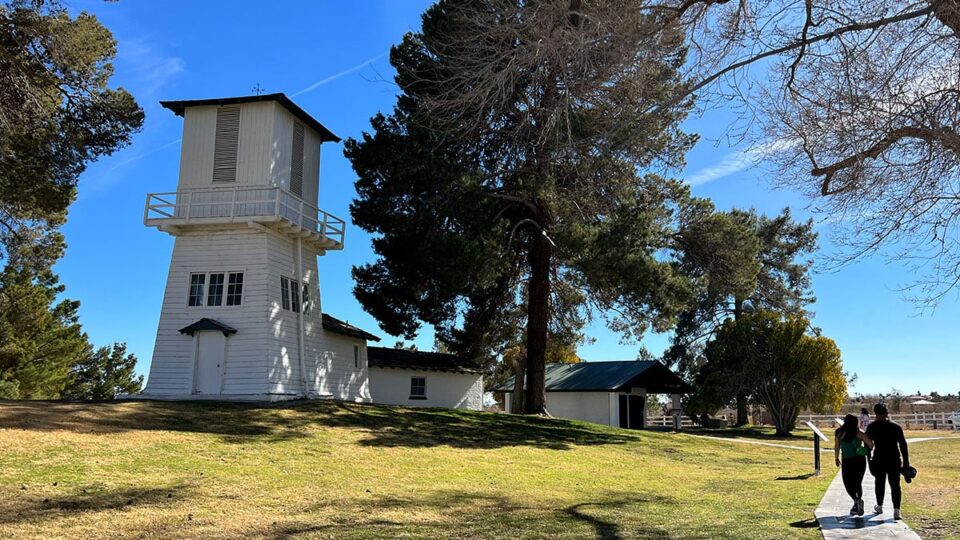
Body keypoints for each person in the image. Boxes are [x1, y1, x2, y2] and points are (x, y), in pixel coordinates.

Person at [866, 403, 910, 520]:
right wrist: (906, 462)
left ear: (875, 413)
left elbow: (867, 445)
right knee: (895, 484)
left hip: (879, 458)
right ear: (887, 413)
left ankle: (879, 506)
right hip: (894, 458)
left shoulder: (872, 427)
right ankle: (896, 510)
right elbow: (903, 445)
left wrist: (868, 459)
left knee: (879, 483)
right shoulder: (895, 427)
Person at [834, 413, 874, 516]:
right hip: (860, 460)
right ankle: (857, 502)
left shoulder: (839, 433)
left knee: (848, 483)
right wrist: (864, 450)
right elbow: (871, 444)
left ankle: (857, 501)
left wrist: (836, 458)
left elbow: (837, 446)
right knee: (857, 482)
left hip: (847, 460)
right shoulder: (859, 433)